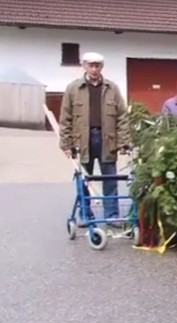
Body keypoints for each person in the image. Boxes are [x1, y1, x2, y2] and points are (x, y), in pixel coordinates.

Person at [58, 51, 131, 227]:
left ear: (102, 67)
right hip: (82, 140)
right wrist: (66, 144)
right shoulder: (73, 88)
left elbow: (122, 116)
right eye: (90, 65)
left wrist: (124, 142)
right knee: (84, 179)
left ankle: (112, 215)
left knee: (110, 179)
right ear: (84, 66)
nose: (94, 69)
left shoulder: (112, 88)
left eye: (97, 65)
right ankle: (86, 215)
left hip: (108, 139)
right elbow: (65, 118)